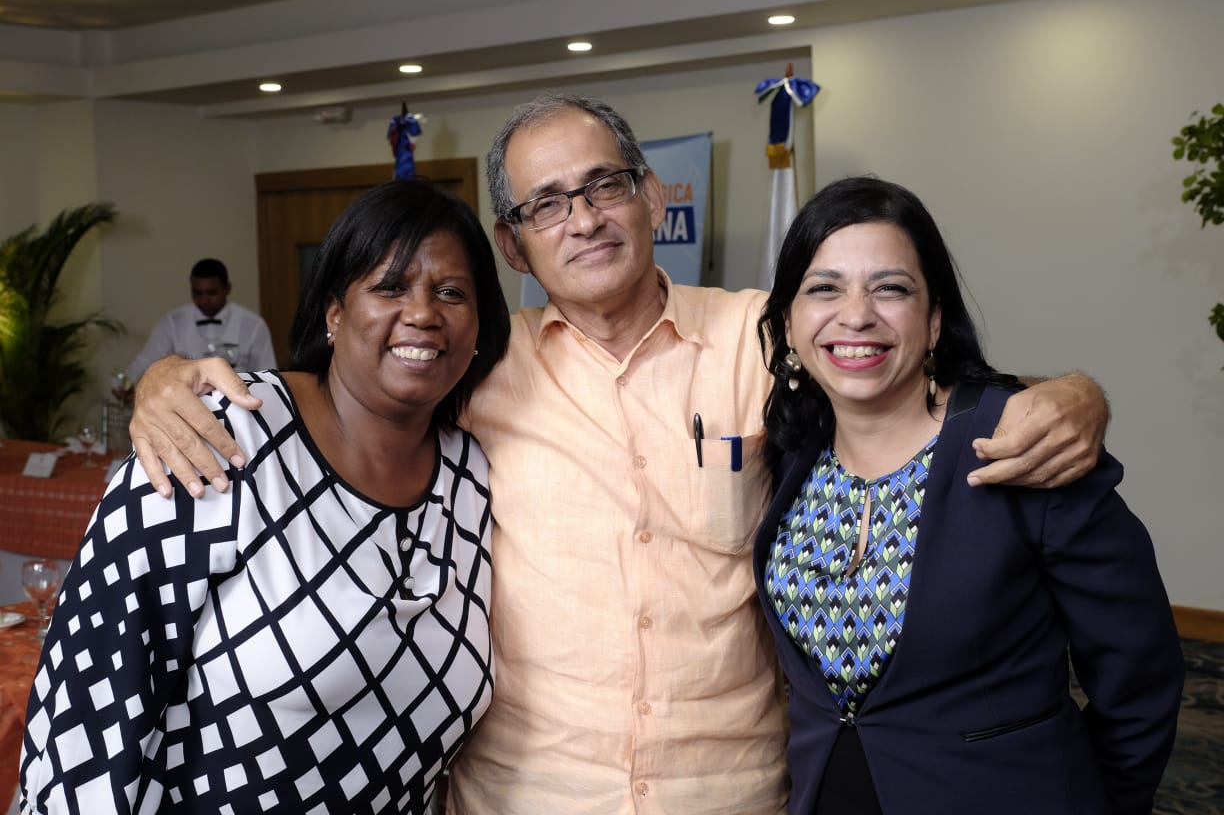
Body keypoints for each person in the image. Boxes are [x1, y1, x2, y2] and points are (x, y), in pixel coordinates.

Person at [124, 94, 1110, 814]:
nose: (583, 218)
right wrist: (171, 377)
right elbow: (347, 396)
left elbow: (914, 383)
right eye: (546, 204)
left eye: (602, 186)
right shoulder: (475, 367)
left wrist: (1072, 394)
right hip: (524, 796)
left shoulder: (765, 339)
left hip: (730, 793)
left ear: (647, 194)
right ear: (514, 247)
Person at [20, 179, 512, 814]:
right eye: (390, 286)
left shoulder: (473, 478)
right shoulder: (219, 432)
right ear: (334, 312)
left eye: (451, 292)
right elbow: (84, 712)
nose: (423, 312)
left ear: (479, 325)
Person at [754, 176, 1183, 815]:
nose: (856, 315)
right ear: (789, 325)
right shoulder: (792, 449)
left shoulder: (1022, 445)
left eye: (890, 288)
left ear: (932, 323)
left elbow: (1140, 679)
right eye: (824, 288)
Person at [116, 257, 279, 400]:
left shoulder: (253, 325)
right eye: (197, 293)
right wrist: (126, 383)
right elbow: (146, 361)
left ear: (227, 289)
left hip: (240, 408)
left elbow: (268, 376)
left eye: (211, 293)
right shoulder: (173, 322)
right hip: (185, 408)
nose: (204, 300)